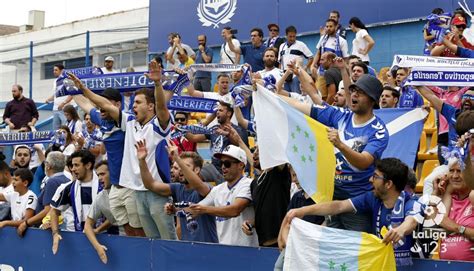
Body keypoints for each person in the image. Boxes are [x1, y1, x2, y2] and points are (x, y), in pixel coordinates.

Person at [281, 71, 389, 232]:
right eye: (353, 91)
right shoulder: (340, 115)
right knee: (333, 253)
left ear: (372, 99)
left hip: (357, 204)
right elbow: (299, 106)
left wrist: (340, 145)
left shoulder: (378, 130)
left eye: (360, 93)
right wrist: (267, 94)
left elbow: (364, 162)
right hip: (332, 197)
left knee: (354, 253)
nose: (354, 96)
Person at [279, 158, 419, 266]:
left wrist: (400, 230)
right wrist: (302, 211)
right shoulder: (372, 198)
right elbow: (339, 206)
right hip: (379, 263)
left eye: (375, 177)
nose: (370, 180)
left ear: (388, 184)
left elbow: (411, 221)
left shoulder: (410, 202)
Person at [68, 76, 141, 237]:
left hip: (131, 185)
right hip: (115, 186)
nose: (100, 107)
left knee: (139, 232)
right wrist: (70, 88)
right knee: (127, 230)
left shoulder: (125, 120)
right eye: (100, 104)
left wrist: (84, 88)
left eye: (104, 103)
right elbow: (85, 104)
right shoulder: (103, 119)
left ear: (117, 105)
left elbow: (97, 102)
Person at [136, 139, 217, 243]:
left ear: (197, 170)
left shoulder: (205, 188)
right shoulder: (178, 188)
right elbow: (150, 184)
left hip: (207, 248)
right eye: (179, 167)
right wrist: (142, 161)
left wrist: (178, 159)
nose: (181, 170)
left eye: (186, 166)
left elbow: (198, 185)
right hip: (186, 247)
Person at [189, 145, 259, 247]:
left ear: (241, 165)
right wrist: (176, 210)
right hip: (224, 248)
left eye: (227, 163)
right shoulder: (218, 189)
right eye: (221, 163)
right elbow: (196, 209)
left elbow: (235, 210)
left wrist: (203, 210)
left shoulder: (248, 184)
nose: (223, 167)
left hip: (247, 249)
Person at [50, 150, 101, 254]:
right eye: (72, 166)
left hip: (105, 236)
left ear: (88, 165)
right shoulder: (68, 188)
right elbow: (54, 211)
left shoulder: (103, 186)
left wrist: (100, 229)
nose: (73, 169)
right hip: (80, 239)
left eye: (76, 165)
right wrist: (55, 233)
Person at [243, 146, 291, 247]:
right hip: (263, 245)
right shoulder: (254, 183)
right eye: (254, 151)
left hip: (280, 243)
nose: (254, 154)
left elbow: (279, 149)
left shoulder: (278, 174)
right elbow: (264, 213)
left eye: (259, 151)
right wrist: (251, 223)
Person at [17, 151, 71, 237]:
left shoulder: (52, 181)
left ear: (48, 166)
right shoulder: (67, 179)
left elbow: (48, 210)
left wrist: (26, 223)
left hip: (47, 231)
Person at [433, 153, 474, 261]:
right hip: (446, 266)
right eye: (451, 171)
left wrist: (457, 228)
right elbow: (432, 223)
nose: (455, 176)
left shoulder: (472, 197)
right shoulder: (449, 197)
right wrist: (435, 193)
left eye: (459, 171)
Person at [84, 161, 119, 264]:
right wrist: (97, 247)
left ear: (113, 173)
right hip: (116, 238)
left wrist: (98, 229)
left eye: (103, 174)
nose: (99, 178)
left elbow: (115, 217)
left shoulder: (127, 191)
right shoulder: (100, 197)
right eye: (98, 175)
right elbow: (87, 226)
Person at [45, 64, 73, 130]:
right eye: (53, 70)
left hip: (64, 109)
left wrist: (63, 103)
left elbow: (72, 94)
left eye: (56, 70)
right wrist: (48, 99)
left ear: (62, 70)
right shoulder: (55, 81)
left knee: (65, 129)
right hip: (55, 109)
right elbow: (55, 94)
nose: (54, 71)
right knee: (56, 130)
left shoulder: (67, 79)